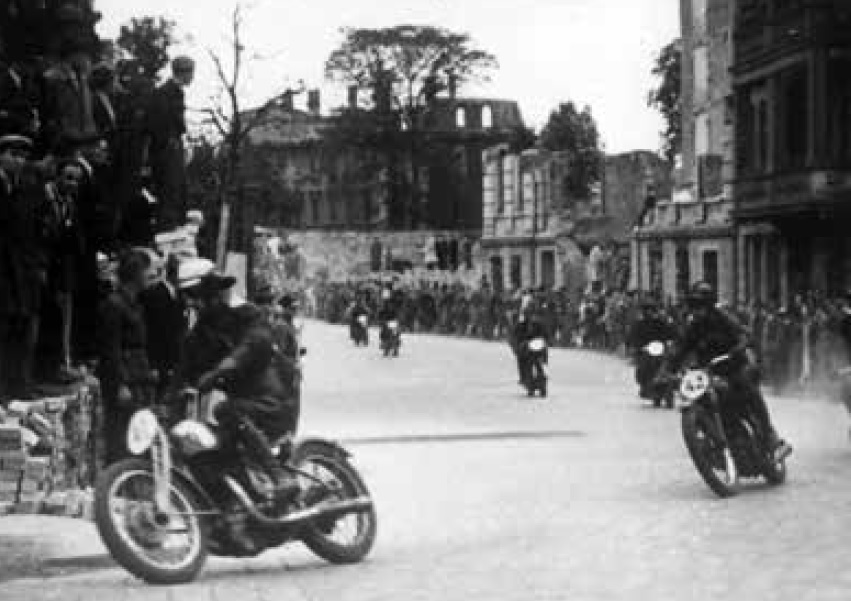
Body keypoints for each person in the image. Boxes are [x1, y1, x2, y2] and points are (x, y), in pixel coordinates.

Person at [177, 271, 300, 506]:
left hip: (273, 398)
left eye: (198, 297)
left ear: (215, 297)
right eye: (189, 298)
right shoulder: (197, 337)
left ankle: (280, 476)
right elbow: (184, 373)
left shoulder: (248, 316)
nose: (194, 303)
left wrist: (218, 371)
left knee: (226, 411)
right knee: (210, 444)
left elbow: (250, 347)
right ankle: (247, 504)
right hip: (245, 406)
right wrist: (163, 405)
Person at [665, 282, 792, 460]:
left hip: (735, 366)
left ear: (709, 305)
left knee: (748, 389)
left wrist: (740, 345)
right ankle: (710, 441)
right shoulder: (693, 327)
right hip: (711, 374)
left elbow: (742, 332)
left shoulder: (723, 317)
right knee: (699, 399)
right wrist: (667, 371)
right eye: (694, 306)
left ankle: (772, 439)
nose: (696, 310)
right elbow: (681, 349)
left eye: (700, 306)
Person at [96, 249, 156, 464]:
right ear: (136, 273)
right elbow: (111, 349)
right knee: (120, 433)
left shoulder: (135, 303)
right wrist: (120, 384)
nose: (152, 275)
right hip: (123, 377)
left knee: (138, 431)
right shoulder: (113, 305)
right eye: (148, 270)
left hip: (138, 374)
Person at [139, 253, 187, 398]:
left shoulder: (180, 295)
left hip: (172, 359)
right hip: (156, 359)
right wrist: (153, 364)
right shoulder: (153, 294)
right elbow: (153, 331)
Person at [627, 299, 678, 399]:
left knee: (669, 362)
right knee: (643, 365)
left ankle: (670, 382)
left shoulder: (660, 322)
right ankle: (644, 383)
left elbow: (670, 332)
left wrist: (671, 340)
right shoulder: (639, 324)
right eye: (647, 310)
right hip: (645, 350)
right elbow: (633, 337)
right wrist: (639, 346)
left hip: (660, 348)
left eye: (651, 310)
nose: (649, 312)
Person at [510, 302, 549, 387]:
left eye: (533, 314)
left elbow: (545, 334)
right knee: (521, 357)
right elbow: (514, 335)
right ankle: (523, 377)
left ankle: (543, 373)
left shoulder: (539, 324)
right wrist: (517, 344)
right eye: (529, 313)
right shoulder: (521, 324)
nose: (531, 316)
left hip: (537, 345)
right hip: (525, 345)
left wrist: (546, 340)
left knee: (544, 354)